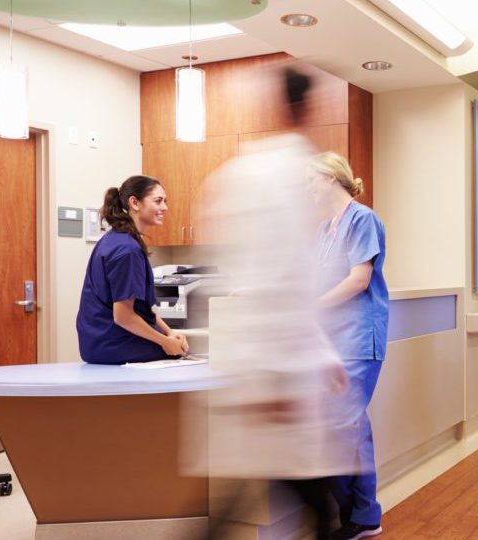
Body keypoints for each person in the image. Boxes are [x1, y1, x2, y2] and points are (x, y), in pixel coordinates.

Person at [196, 66, 354, 540]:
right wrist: (278, 379)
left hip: (261, 365)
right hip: (272, 370)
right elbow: (278, 282)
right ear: (309, 108)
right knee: (309, 502)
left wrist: (317, 356)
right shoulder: (284, 177)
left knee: (256, 493)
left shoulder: (237, 172)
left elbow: (268, 279)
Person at [308, 151, 388, 540]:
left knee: (343, 426)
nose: (307, 188)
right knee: (346, 426)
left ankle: (362, 515)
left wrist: (313, 307)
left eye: (310, 179)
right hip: (331, 341)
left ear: (329, 178)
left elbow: (359, 279)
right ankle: (359, 513)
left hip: (358, 337)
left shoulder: (363, 219)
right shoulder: (324, 229)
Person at [76, 175, 188, 364]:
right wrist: (165, 342)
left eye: (165, 202)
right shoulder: (127, 250)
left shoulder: (116, 239)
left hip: (99, 342)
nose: (165, 208)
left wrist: (169, 332)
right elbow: (123, 316)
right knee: (179, 353)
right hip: (112, 344)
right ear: (134, 203)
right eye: (158, 201)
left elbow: (141, 310)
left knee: (176, 346)